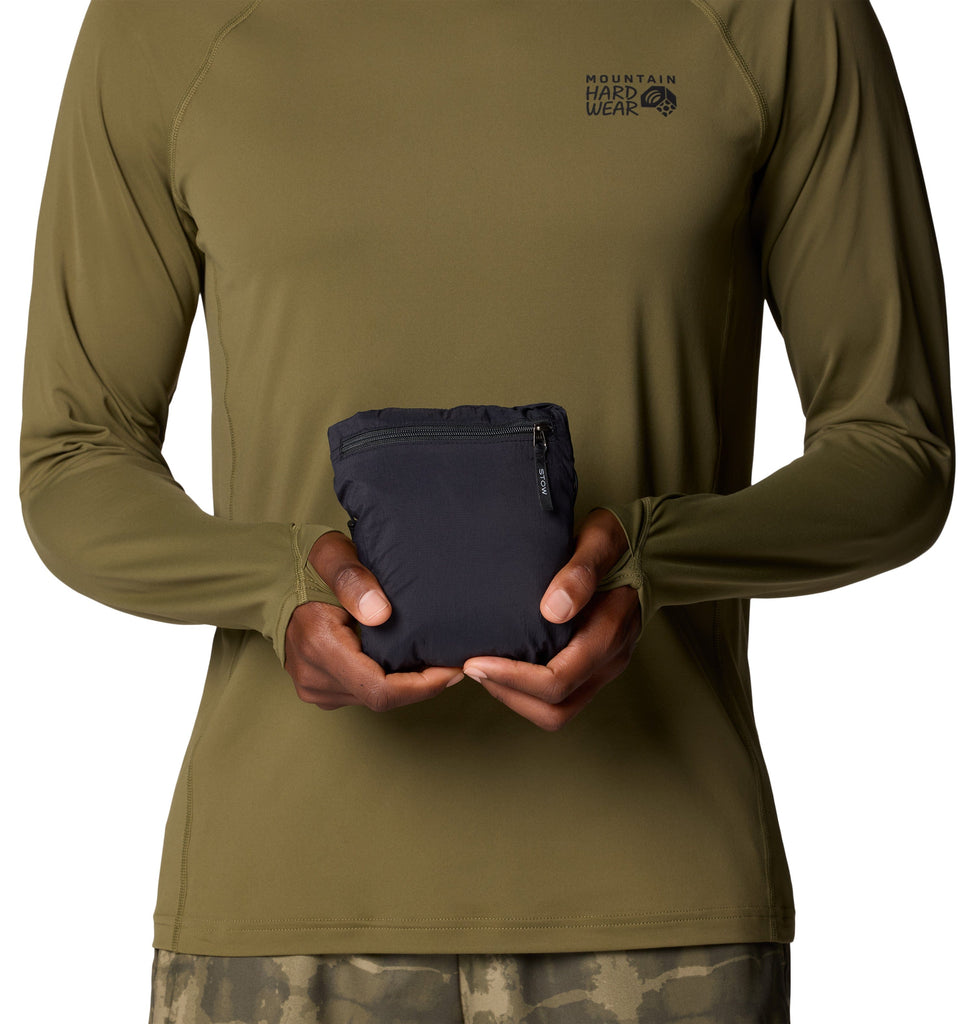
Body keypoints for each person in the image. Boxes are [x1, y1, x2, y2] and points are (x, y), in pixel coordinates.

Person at [20, 0, 952, 1021]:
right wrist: (277, 585)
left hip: (656, 906)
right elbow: (73, 457)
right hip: (286, 908)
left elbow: (894, 451)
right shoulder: (162, 21)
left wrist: (650, 558)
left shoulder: (779, 17)